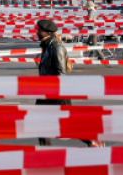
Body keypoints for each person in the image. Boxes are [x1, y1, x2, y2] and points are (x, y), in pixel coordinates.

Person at [35, 19, 101, 148]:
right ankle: (45, 153)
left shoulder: (56, 48)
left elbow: (61, 74)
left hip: (56, 92)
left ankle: (92, 141)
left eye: (39, 30)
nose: (37, 32)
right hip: (46, 91)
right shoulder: (47, 46)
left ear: (47, 32)